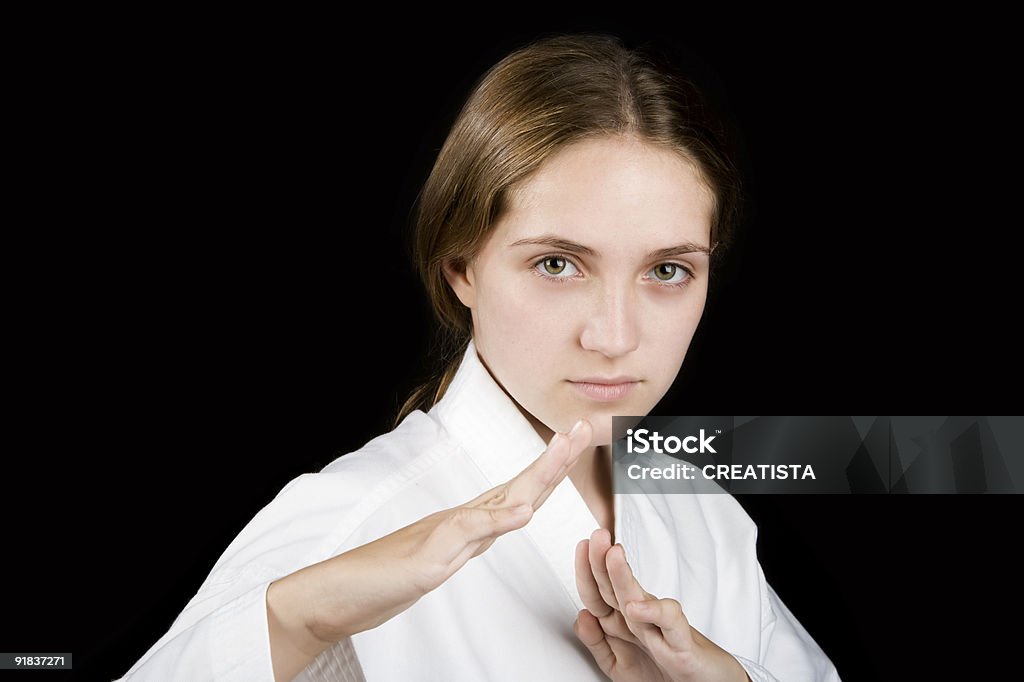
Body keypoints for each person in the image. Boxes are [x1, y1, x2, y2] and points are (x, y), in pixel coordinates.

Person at [118, 34, 840, 681]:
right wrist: (293, 623)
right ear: (461, 266)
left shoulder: (702, 513)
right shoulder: (351, 517)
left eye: (667, 271)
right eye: (558, 264)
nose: (615, 336)